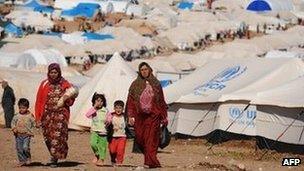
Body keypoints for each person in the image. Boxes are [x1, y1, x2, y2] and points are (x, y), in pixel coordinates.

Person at [126, 62, 168, 168]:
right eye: (142, 70)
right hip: (140, 117)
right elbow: (130, 101)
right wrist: (130, 115)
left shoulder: (156, 84)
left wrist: (164, 116)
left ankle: (149, 162)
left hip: (154, 116)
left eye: (146, 69)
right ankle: (153, 161)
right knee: (141, 138)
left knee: (151, 139)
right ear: (139, 72)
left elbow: (161, 101)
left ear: (150, 70)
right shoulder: (135, 84)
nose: (144, 71)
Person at [35, 63, 77, 168]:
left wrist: (67, 98)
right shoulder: (44, 84)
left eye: (55, 72)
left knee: (57, 137)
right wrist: (38, 117)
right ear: (48, 73)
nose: (53, 74)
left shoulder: (65, 84)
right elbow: (39, 101)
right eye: (51, 72)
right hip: (47, 115)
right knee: (48, 137)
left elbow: (71, 100)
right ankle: (53, 154)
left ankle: (54, 158)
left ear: (59, 73)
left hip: (60, 115)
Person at [85, 93, 110, 166]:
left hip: (103, 131)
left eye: (101, 101)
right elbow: (87, 115)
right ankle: (97, 154)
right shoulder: (93, 110)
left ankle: (101, 159)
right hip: (94, 130)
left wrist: (108, 121)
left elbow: (110, 117)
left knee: (102, 146)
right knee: (93, 144)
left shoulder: (105, 110)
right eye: (98, 101)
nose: (100, 103)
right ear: (94, 101)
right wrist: (94, 107)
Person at [11, 98, 35, 167]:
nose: (21, 109)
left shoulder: (30, 116)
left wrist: (36, 125)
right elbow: (12, 123)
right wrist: (14, 128)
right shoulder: (16, 116)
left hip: (27, 135)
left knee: (25, 147)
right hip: (18, 135)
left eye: (23, 108)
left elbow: (34, 123)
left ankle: (28, 157)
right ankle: (22, 160)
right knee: (19, 148)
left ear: (27, 107)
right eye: (20, 108)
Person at [107, 100, 127, 166]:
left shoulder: (125, 117)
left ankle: (119, 162)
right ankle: (113, 159)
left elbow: (129, 124)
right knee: (112, 150)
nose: (118, 110)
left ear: (123, 109)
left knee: (120, 150)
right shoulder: (111, 116)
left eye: (120, 108)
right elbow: (107, 123)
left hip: (122, 136)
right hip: (113, 136)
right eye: (117, 108)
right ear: (114, 108)